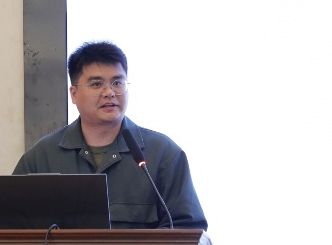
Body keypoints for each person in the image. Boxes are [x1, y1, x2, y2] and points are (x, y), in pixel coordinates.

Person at [13, 41, 206, 230]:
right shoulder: (41, 158)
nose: (109, 92)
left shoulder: (163, 154)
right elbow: (11, 231)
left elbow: (187, 230)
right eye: (97, 84)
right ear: (74, 94)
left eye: (117, 83)